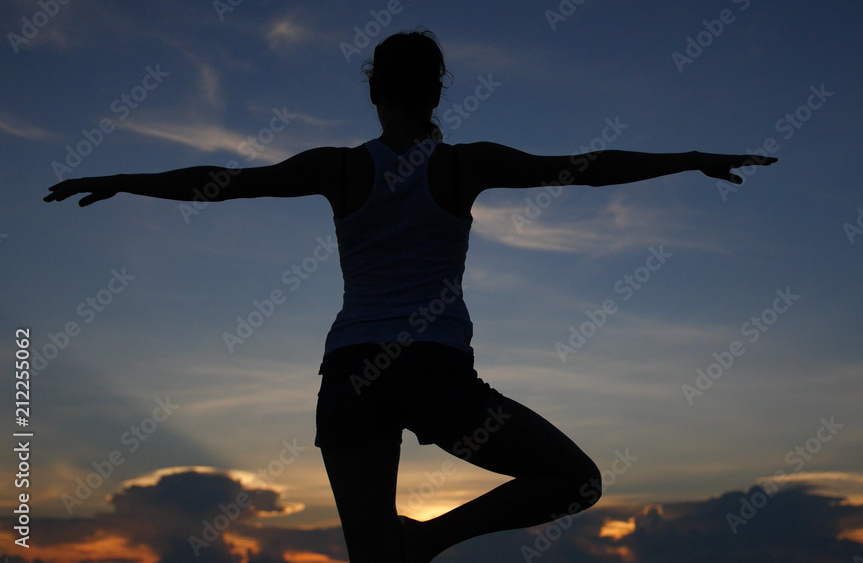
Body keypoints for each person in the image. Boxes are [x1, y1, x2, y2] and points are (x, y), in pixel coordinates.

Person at [45, 29, 775, 563]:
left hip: (354, 374)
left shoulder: (340, 169)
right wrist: (689, 160)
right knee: (575, 479)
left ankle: (415, 541)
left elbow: (230, 182)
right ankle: (427, 538)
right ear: (436, 92)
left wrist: (122, 178)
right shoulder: (462, 167)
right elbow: (583, 168)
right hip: (433, 375)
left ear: (374, 91)